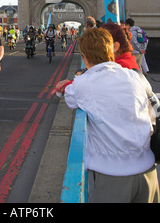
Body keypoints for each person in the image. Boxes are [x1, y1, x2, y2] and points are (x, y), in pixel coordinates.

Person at [52, 28, 159, 203]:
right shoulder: (134, 76)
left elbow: (70, 97)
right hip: (148, 171)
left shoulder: (84, 84)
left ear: (84, 56)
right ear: (111, 50)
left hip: (112, 176)